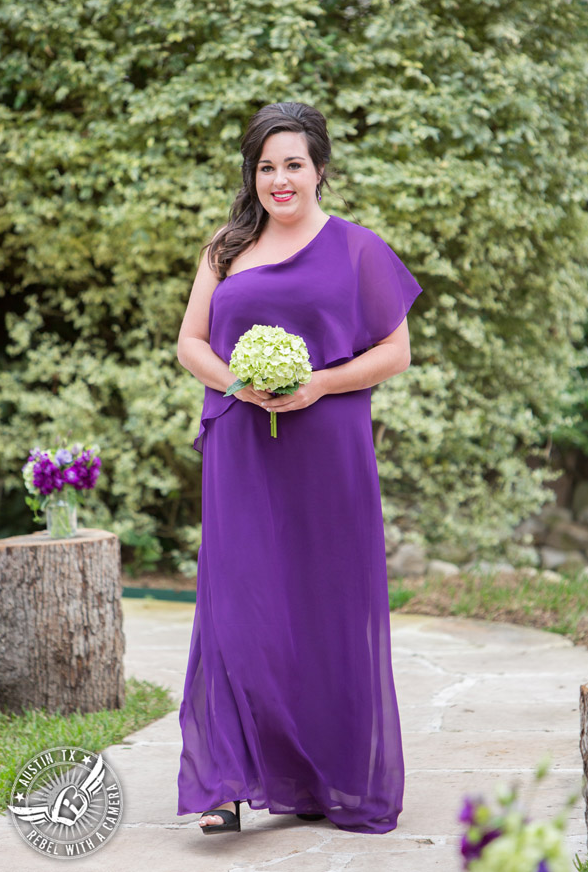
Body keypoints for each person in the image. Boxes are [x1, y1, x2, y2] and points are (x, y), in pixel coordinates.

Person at [175, 101, 423, 835]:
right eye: (265, 167)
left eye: (293, 164)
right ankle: (223, 781)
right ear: (251, 175)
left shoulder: (357, 249)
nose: (279, 180)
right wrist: (230, 381)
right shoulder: (226, 247)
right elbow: (190, 343)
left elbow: (394, 352)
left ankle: (325, 775)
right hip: (240, 447)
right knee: (235, 605)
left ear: (319, 169)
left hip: (331, 451)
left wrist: (317, 382)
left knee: (324, 607)